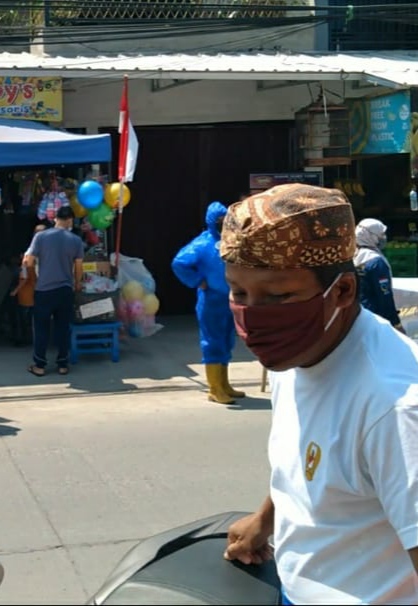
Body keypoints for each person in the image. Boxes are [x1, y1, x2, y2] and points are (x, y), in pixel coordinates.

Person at [218, 184, 418, 604]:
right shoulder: (297, 354)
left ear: (342, 291)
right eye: (239, 292)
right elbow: (311, 460)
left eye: (278, 296)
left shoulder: (396, 407)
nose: (253, 315)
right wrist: (265, 519)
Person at [171, 201, 245, 405]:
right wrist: (197, 281)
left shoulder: (231, 240)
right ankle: (214, 388)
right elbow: (179, 263)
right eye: (220, 221)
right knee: (212, 341)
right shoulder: (203, 243)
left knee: (227, 340)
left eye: (226, 221)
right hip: (211, 299)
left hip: (229, 298)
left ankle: (224, 383)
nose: (223, 224)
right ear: (212, 222)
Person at [25, 206, 83, 377]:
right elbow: (78, 267)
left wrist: (34, 281)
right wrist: (77, 284)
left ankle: (40, 365)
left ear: (55, 218)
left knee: (41, 328)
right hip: (65, 289)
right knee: (63, 328)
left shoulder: (41, 237)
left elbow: (29, 262)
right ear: (70, 220)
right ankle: (62, 364)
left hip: (44, 290)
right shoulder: (75, 240)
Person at [353, 217, 405, 333]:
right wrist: (396, 324)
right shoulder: (376, 262)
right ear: (371, 236)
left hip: (357, 319)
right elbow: (384, 296)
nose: (383, 238)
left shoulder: (354, 258)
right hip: (377, 321)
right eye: (380, 235)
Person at [8, 224, 46, 347]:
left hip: (29, 292)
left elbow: (25, 277)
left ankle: (27, 339)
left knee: (26, 318)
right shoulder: (48, 252)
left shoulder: (30, 254)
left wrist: (15, 291)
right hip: (41, 289)